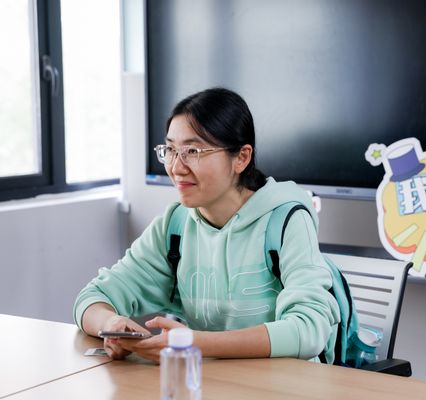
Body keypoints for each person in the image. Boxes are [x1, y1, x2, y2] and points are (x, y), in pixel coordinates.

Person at [73, 87, 340, 363]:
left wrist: (195, 342)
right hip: (205, 380)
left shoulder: (286, 220)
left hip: (284, 383)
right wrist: (112, 325)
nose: (176, 167)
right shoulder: (174, 225)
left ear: (241, 157)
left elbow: (309, 330)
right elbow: (92, 297)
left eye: (192, 151)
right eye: (171, 150)